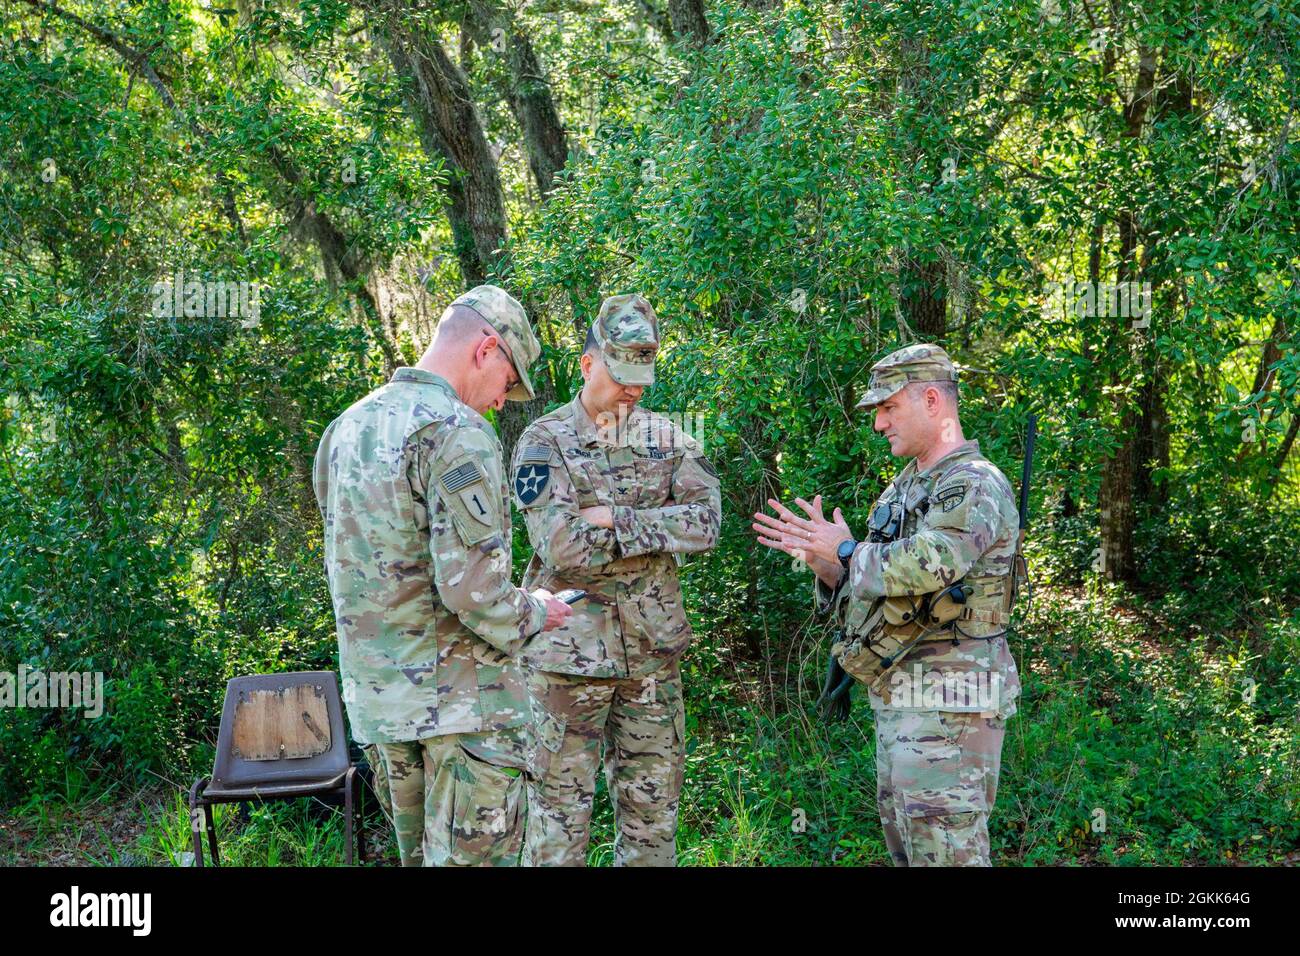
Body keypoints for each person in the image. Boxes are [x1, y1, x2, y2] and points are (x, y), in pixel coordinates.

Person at [313, 284, 572, 866]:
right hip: (465, 713)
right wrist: (538, 610)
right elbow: (474, 589)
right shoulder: (456, 432)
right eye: (508, 383)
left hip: (383, 709)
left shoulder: (345, 430)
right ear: (486, 350)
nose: (502, 402)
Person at [752, 343, 1022, 866]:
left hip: (953, 702)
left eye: (888, 407)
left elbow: (934, 562)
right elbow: (882, 582)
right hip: (905, 694)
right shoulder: (908, 485)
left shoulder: (974, 482)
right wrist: (829, 565)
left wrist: (850, 551)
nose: (879, 423)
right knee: (910, 848)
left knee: (948, 853)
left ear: (931, 400)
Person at [510, 293, 722, 866]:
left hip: (651, 656)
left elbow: (706, 525)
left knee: (652, 823)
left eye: (642, 376)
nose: (633, 389)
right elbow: (558, 543)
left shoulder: (671, 438)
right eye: (620, 375)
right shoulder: (543, 442)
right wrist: (658, 532)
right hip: (566, 661)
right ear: (587, 363)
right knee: (557, 824)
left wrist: (619, 521)